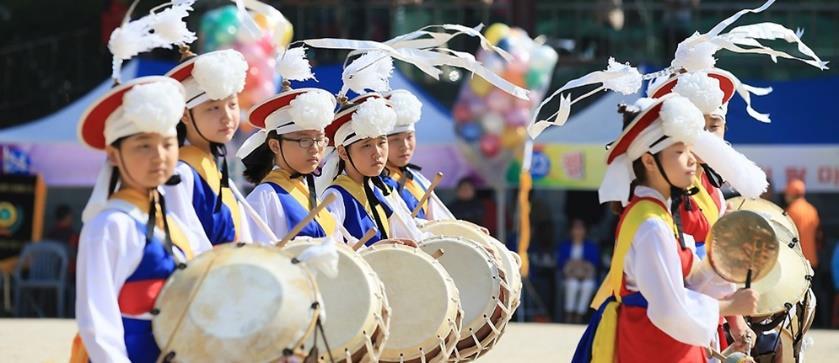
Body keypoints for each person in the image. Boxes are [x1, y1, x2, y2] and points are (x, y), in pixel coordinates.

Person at [71, 76, 212, 362]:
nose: (159, 157)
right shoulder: (109, 226)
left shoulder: (172, 218)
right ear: (113, 154)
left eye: (168, 144)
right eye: (143, 146)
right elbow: (97, 324)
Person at [164, 49, 255, 245]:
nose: (227, 117)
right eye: (213, 107)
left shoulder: (214, 167)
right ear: (185, 115)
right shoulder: (179, 173)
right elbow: (186, 245)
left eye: (232, 105)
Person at [239, 81, 339, 242]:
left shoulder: (308, 191)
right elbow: (254, 258)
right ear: (275, 145)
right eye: (304, 140)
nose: (314, 148)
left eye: (319, 139)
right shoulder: (264, 197)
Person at [318, 93, 423, 245]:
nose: (378, 153)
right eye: (366, 145)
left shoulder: (381, 192)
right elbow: (331, 253)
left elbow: (414, 237)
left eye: (382, 143)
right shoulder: (334, 197)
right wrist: (375, 250)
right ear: (342, 152)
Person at [381, 89, 454, 221]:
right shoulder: (376, 183)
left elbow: (441, 223)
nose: (405, 146)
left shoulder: (419, 179)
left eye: (409, 137)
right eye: (395, 140)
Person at [557, 219, 601, 323]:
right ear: (571, 231)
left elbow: (595, 264)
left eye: (580, 228)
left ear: (585, 231)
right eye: (575, 228)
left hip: (586, 276)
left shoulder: (591, 246)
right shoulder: (565, 246)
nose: (578, 231)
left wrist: (578, 266)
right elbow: (561, 264)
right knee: (572, 284)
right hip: (569, 276)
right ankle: (569, 313)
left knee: (588, 285)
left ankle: (579, 315)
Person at [785, 178, 821, 269]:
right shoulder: (812, 209)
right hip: (813, 259)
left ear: (791, 193)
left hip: (798, 261)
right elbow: (819, 234)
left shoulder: (791, 211)